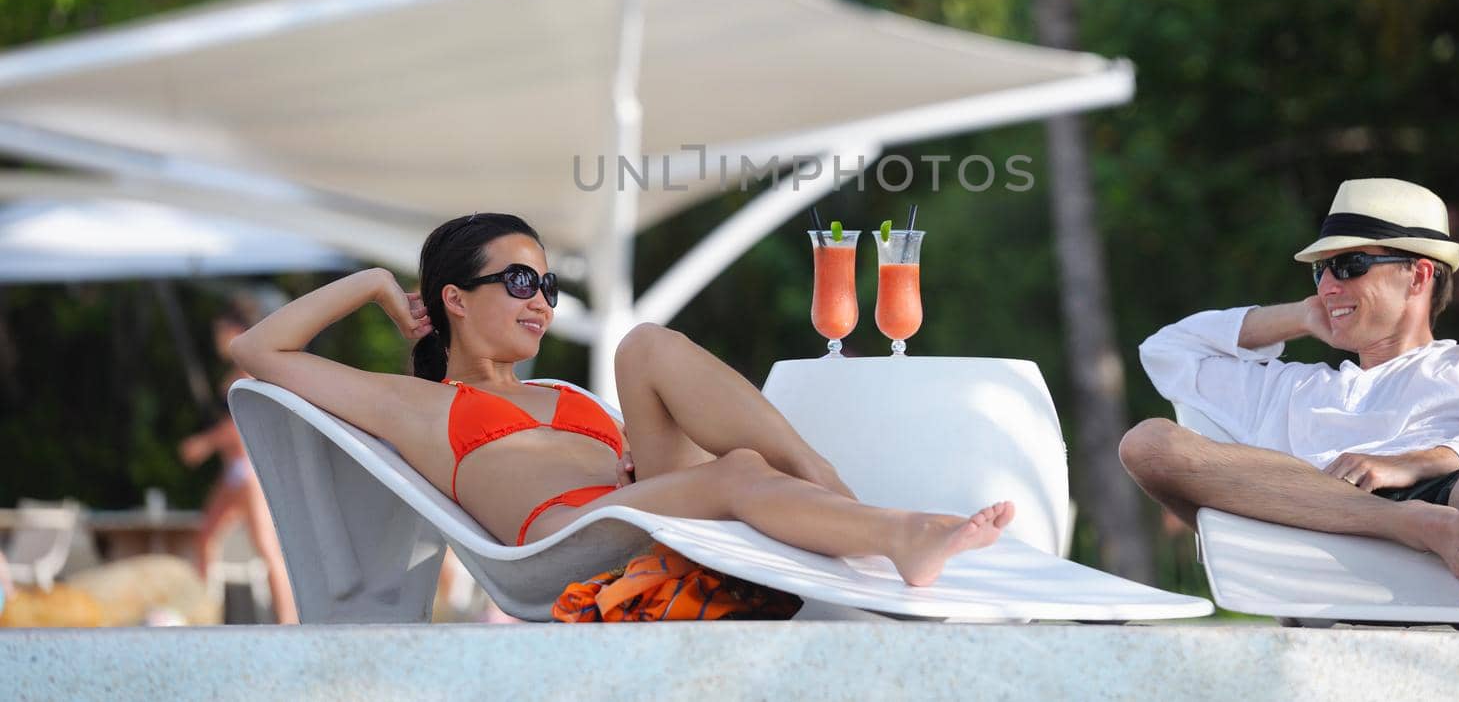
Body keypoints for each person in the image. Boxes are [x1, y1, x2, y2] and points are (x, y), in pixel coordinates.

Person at [228, 213, 1013, 591]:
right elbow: (258, 351)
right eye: (520, 282)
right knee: (735, 471)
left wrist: (642, 464)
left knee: (642, 343)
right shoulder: (411, 404)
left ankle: (822, 476)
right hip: (565, 538)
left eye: (549, 285)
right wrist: (372, 283)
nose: (541, 301)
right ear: (453, 299)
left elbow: (651, 463)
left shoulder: (560, 391)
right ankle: (901, 533)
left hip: (634, 505)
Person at [1119, 178, 1459, 608]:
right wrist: (1301, 316)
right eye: (1320, 270)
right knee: (1147, 442)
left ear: (1419, 277)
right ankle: (1413, 526)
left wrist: (1420, 460)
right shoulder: (1294, 386)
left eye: (1348, 265)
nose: (1326, 285)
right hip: (1329, 504)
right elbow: (1166, 351)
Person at [179, 295, 296, 623]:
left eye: (220, 329)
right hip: (235, 471)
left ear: (235, 330)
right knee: (206, 538)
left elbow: (242, 423)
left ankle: (287, 621)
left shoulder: (248, 369)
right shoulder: (238, 369)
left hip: (247, 470)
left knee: (265, 547)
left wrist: (205, 443)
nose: (216, 337)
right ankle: (205, 613)